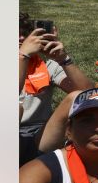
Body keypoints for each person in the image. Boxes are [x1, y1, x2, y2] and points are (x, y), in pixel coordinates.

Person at [19, 14, 93, 166]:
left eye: (24, 34)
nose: (21, 38)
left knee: (77, 96)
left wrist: (63, 58)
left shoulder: (44, 64)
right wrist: (22, 56)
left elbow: (89, 94)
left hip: (41, 135)